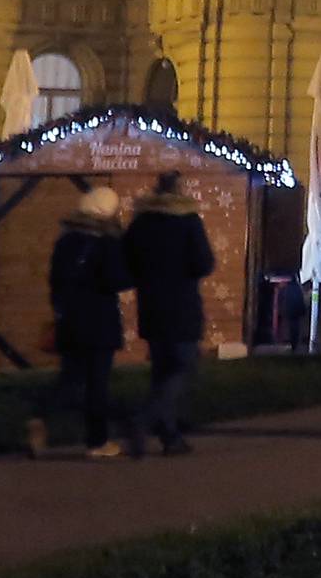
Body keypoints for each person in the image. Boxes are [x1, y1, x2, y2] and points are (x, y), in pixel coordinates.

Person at [28, 183, 127, 459]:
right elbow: (117, 279)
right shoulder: (107, 241)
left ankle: (41, 415)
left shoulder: (66, 239)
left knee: (71, 377)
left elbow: (55, 281)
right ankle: (97, 442)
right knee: (97, 383)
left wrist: (60, 308)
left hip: (71, 317)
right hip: (100, 320)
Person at [122, 170, 215, 456]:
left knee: (162, 369)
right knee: (181, 367)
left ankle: (170, 436)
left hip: (151, 304)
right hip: (182, 304)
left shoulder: (141, 222)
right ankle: (143, 421)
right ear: (179, 189)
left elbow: (128, 262)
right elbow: (204, 262)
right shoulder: (187, 221)